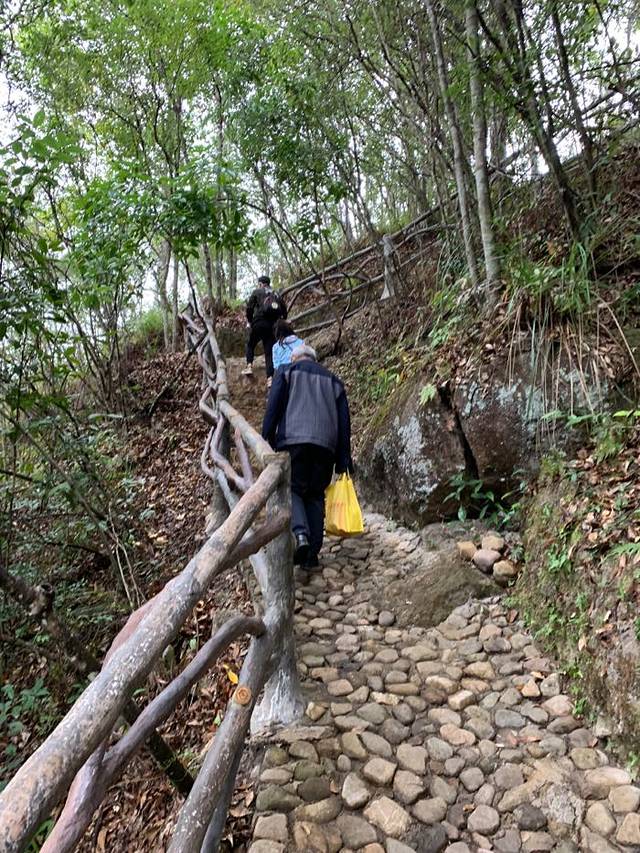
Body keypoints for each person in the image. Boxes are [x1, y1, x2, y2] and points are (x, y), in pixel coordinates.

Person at [262, 344, 352, 570]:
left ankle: (300, 534)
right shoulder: (334, 381)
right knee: (314, 493)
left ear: (295, 357)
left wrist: (267, 438)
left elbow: (273, 407)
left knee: (293, 488)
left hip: (293, 440)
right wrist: (343, 460)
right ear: (314, 359)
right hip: (326, 447)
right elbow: (344, 423)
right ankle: (312, 555)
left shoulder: (286, 371)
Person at [242, 275, 287, 386]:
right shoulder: (276, 294)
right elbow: (284, 311)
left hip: (258, 322)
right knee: (268, 351)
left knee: (251, 344)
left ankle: (249, 366)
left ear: (261, 283)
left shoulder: (257, 291)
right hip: (272, 326)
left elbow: (249, 308)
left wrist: (250, 321)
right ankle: (270, 378)